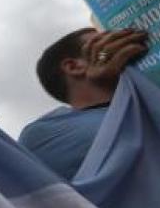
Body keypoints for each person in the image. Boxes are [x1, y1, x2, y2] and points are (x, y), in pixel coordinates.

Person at [18, 27, 149, 180]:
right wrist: (103, 56)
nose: (119, 44)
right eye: (102, 43)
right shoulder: (44, 134)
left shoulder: (148, 105)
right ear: (74, 67)